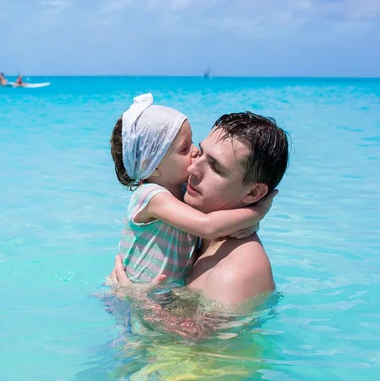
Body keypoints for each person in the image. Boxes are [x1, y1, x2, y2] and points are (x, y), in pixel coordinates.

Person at [110, 110, 290, 307]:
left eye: (215, 167)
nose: (192, 168)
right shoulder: (172, 199)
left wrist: (136, 301)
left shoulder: (234, 273)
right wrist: (255, 216)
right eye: (202, 153)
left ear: (253, 194)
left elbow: (205, 339)